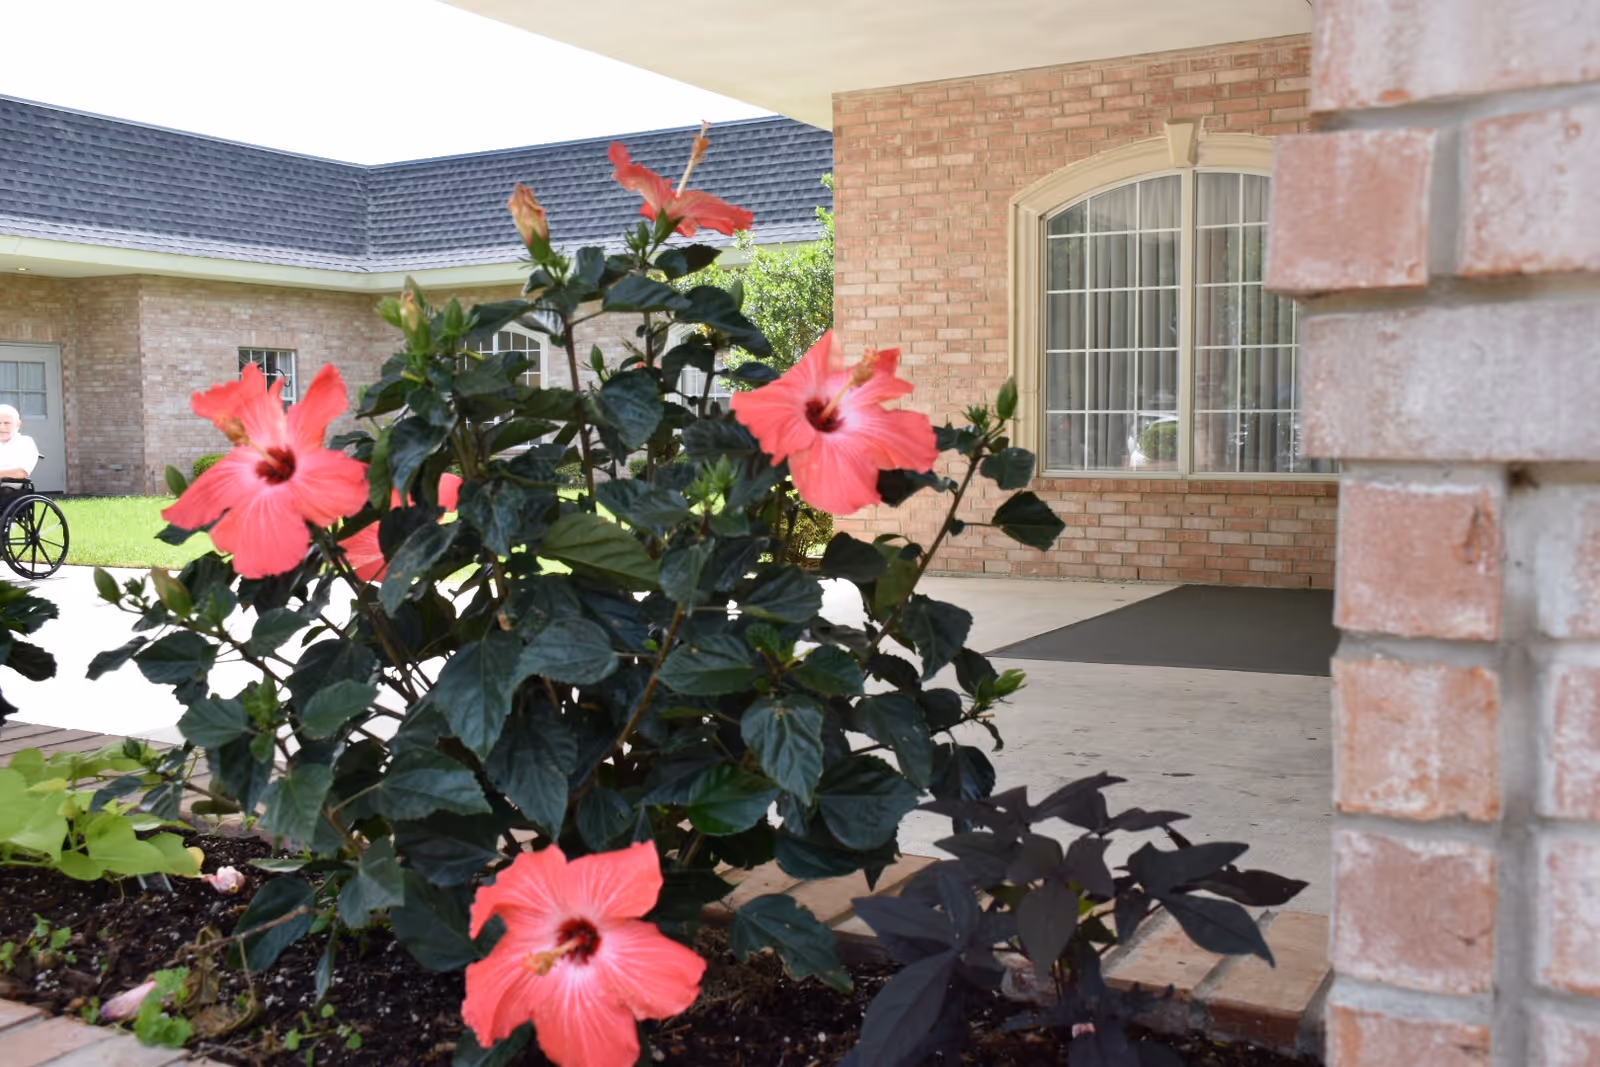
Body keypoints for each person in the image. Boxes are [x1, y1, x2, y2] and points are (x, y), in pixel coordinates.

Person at [0, 405, 40, 489]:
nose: (1, 427)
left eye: (7, 423)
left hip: (8, 488)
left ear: (18, 424)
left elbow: (22, 472)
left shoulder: (25, 442)